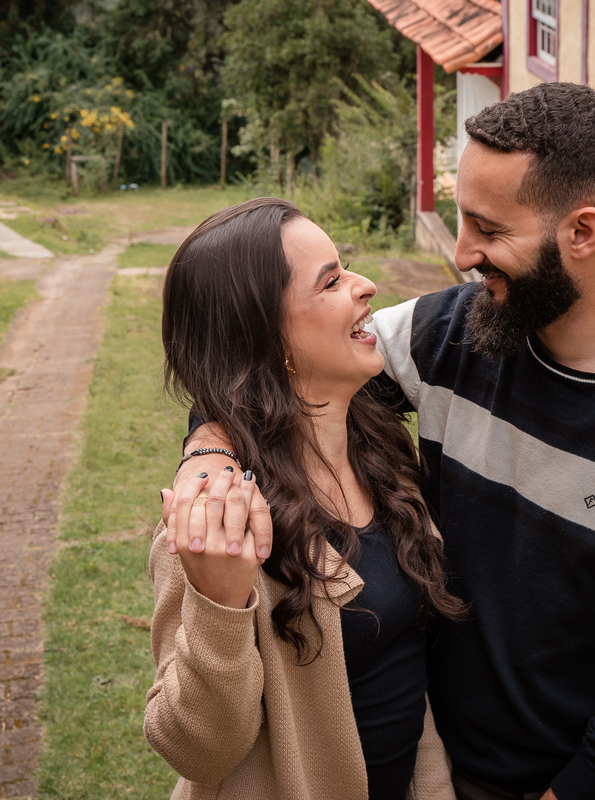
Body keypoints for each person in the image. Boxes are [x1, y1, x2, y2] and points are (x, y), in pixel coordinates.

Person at [172, 83, 595, 800]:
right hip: (446, 770)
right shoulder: (452, 332)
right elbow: (262, 374)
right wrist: (208, 455)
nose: (461, 253)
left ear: (582, 233)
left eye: (488, 228)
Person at [146, 197, 466, 800]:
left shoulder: (382, 454)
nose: (367, 286)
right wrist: (220, 601)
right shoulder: (217, 519)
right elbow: (194, 748)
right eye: (333, 281)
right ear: (271, 341)